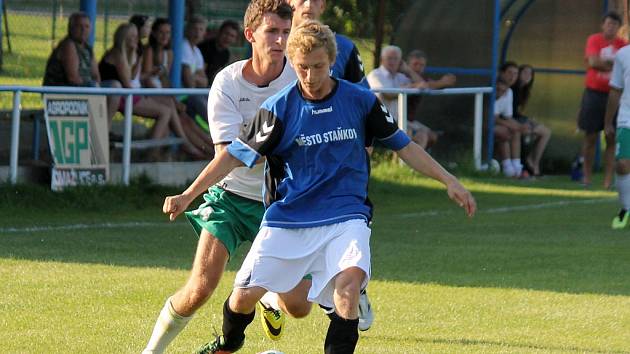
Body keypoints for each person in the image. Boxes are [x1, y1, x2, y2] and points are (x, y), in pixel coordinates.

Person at [164, 20, 476, 354]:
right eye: (302, 68)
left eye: (318, 67)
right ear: (292, 63)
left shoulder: (360, 100)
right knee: (244, 299)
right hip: (289, 218)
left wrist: (449, 180)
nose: (311, 77)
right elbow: (232, 157)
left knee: (349, 285)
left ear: (331, 61)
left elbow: (404, 146)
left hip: (347, 214)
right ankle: (228, 343)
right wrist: (188, 194)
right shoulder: (278, 109)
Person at [141, 1, 296, 353]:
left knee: (297, 306)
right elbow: (230, 155)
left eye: (286, 32)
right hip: (231, 198)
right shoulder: (227, 82)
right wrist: (189, 194)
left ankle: (268, 294)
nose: (280, 40)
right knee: (199, 290)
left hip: (283, 202)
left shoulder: (299, 79)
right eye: (272, 31)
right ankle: (150, 352)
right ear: (250, 35)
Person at [273, 0, 375, 332]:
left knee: (348, 243)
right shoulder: (272, 40)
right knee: (297, 306)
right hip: (289, 176)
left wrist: (364, 153)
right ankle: (269, 293)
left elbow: (365, 105)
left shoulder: (343, 48)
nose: (310, 4)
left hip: (339, 177)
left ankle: (350, 288)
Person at [99, 23, 204, 159]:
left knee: (171, 108)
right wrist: (146, 89)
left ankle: (184, 144)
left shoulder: (131, 54)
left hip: (130, 94)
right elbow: (128, 84)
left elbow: (132, 77)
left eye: (136, 37)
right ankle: (152, 151)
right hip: (125, 96)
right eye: (131, 37)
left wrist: (138, 59)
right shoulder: (118, 54)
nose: (135, 40)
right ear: (123, 38)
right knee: (166, 112)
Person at [141, 18, 214, 157]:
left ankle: (209, 150)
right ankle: (197, 149)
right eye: (161, 32)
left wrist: (173, 99)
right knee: (181, 116)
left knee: (185, 119)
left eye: (168, 33)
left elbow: (165, 80)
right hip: (150, 95)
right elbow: (148, 80)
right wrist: (173, 100)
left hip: (164, 95)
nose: (164, 36)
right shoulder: (149, 50)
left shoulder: (169, 53)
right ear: (154, 33)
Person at [43, 12, 121, 133]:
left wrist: (95, 85)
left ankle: (104, 131)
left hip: (85, 90)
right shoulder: (68, 45)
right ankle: (94, 133)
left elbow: (96, 75)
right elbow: (73, 78)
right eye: (79, 26)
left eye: (86, 26)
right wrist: (93, 86)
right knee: (93, 88)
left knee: (115, 86)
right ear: (71, 28)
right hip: (60, 94)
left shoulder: (87, 48)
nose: (83, 30)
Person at [579, 11, 628, 188]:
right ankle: (586, 177)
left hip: (614, 96)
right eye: (608, 24)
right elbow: (593, 62)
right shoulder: (594, 40)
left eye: (614, 25)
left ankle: (607, 180)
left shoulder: (623, 45)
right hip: (594, 93)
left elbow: (623, 69)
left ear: (619, 27)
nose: (611, 27)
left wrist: (606, 63)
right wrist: (613, 64)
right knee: (590, 136)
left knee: (612, 138)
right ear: (603, 25)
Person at [367, 45, 429, 149]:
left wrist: (409, 70)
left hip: (397, 120)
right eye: (390, 58)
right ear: (382, 60)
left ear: (400, 61)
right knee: (406, 131)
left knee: (423, 134)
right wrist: (412, 86)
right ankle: (400, 163)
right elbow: (389, 94)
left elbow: (423, 85)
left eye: (396, 59)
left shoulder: (400, 77)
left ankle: (412, 164)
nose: (393, 62)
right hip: (379, 120)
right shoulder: (375, 75)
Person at [404, 49, 455, 149]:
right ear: (407, 64)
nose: (418, 67)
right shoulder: (401, 76)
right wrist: (442, 82)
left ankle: (418, 160)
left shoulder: (421, 77)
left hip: (410, 120)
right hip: (396, 118)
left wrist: (444, 82)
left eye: (422, 65)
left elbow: (429, 84)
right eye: (415, 64)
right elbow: (425, 85)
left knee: (432, 137)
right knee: (413, 137)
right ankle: (404, 162)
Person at [606, 43, 630, 228]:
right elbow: (615, 89)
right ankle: (625, 209)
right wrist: (607, 122)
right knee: (622, 164)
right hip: (627, 117)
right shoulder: (623, 54)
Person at [512, 64, 551, 177]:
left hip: (518, 119)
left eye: (530, 74)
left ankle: (534, 162)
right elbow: (512, 113)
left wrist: (528, 119)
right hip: (514, 121)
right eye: (524, 73)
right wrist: (526, 121)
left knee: (546, 132)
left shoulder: (524, 90)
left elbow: (517, 112)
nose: (527, 76)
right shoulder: (513, 89)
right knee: (541, 132)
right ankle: (530, 163)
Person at [494, 77, 529, 177]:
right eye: (499, 90)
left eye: (503, 90)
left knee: (516, 131)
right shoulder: (490, 95)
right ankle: (508, 168)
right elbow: (493, 119)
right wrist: (514, 126)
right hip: (485, 126)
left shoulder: (509, 92)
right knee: (505, 132)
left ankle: (517, 167)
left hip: (497, 124)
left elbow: (507, 117)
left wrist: (520, 127)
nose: (501, 93)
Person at [198, 20, 240, 85]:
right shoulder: (204, 47)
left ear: (235, 40)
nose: (228, 38)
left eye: (232, 36)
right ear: (219, 32)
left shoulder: (227, 54)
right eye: (226, 33)